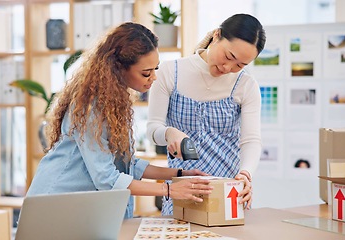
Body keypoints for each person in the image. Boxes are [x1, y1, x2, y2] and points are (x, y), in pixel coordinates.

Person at [26, 22, 213, 219]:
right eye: (146, 73)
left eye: (155, 69)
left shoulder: (114, 102)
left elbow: (126, 164)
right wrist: (169, 190)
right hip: (53, 206)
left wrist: (179, 174)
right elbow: (106, 179)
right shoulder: (91, 107)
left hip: (76, 207)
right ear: (118, 69)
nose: (154, 78)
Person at [147, 14, 266, 215]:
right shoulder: (170, 72)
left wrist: (245, 174)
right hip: (181, 194)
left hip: (228, 195)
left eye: (240, 65)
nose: (228, 68)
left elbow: (251, 140)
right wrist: (169, 133)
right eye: (229, 56)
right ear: (217, 35)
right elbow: (152, 129)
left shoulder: (246, 85)